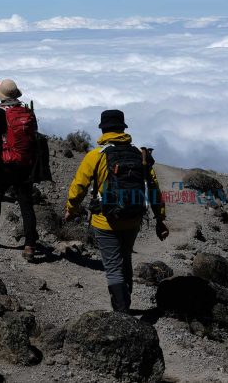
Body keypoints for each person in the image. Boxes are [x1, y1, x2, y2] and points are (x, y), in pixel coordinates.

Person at [63, 109, 169, 313]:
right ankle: (125, 302)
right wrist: (160, 219)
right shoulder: (140, 155)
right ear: (123, 129)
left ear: (103, 130)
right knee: (126, 258)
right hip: (133, 218)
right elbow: (153, 188)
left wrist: (71, 209)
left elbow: (79, 186)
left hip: (105, 220)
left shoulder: (96, 155)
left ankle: (122, 312)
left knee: (113, 266)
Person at [0, 79, 39, 262]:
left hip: (4, 164)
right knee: (26, 204)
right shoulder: (27, 112)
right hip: (24, 164)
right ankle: (30, 245)